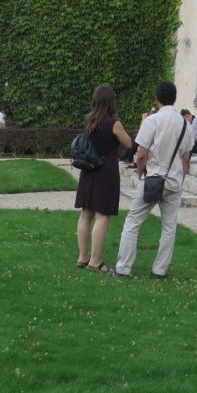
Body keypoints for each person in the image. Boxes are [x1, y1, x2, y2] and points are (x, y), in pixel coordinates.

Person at [115, 81, 193, 280]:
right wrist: (180, 178)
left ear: (156, 97)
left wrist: (141, 173)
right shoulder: (186, 124)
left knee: (133, 222)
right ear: (174, 98)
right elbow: (186, 158)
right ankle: (160, 270)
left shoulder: (152, 121)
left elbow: (141, 154)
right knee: (169, 228)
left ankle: (123, 268)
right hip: (174, 180)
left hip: (152, 178)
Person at [75, 84, 134, 272]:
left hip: (88, 169)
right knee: (102, 215)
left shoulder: (88, 120)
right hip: (105, 170)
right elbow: (128, 143)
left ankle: (82, 257)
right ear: (111, 101)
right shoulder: (113, 123)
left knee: (86, 214)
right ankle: (95, 260)